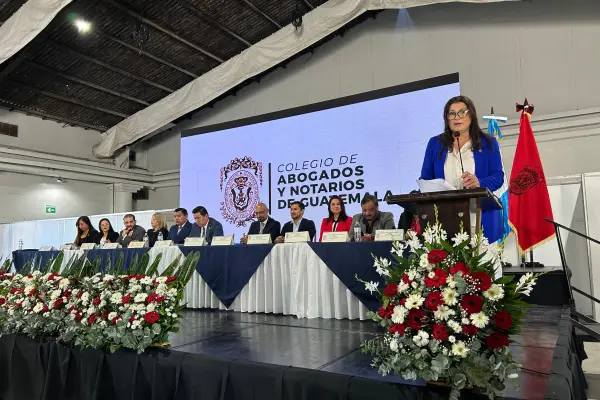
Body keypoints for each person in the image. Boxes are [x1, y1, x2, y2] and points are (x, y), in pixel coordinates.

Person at [420, 95, 504, 242]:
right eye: (452, 113)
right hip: (443, 218)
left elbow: (498, 177)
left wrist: (479, 183)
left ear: (471, 115)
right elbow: (425, 179)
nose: (456, 117)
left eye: (462, 112)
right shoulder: (435, 144)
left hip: (479, 217)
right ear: (447, 118)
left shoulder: (488, 142)